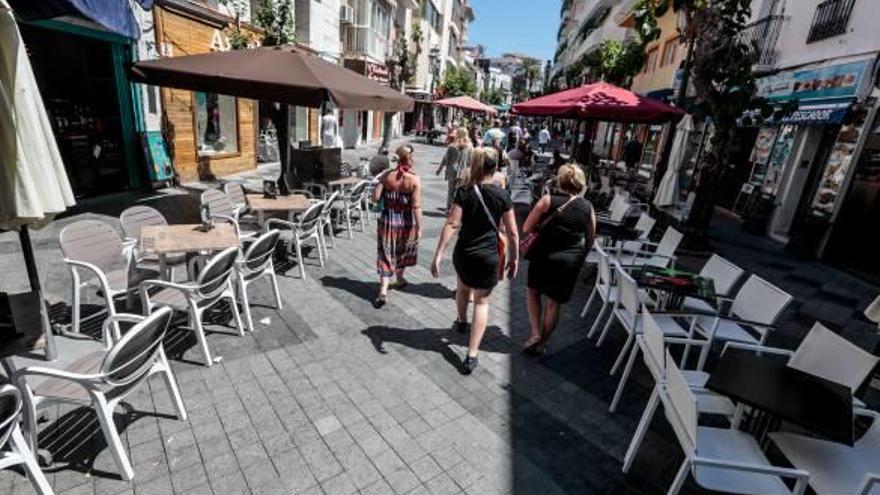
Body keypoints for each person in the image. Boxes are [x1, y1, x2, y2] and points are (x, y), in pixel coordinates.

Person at [431, 148, 519, 374]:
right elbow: (512, 232)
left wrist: (438, 254)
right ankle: (471, 355)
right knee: (481, 302)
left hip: (464, 252)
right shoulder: (502, 195)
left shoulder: (464, 191)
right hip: (489, 256)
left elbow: (451, 224)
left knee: (462, 288)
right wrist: (515, 258)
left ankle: (461, 320)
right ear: (495, 167)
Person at [522, 164, 595, 355]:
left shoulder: (547, 201)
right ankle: (542, 343)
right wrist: (579, 258)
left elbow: (527, 228)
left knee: (533, 292)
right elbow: (590, 239)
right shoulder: (588, 207)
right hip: (569, 261)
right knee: (554, 304)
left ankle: (535, 333)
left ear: (560, 181)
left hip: (543, 256)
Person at [373, 145, 422, 309]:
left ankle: (383, 290)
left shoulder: (387, 176)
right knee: (402, 251)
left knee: (386, 253)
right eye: (412, 157)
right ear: (408, 159)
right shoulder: (414, 179)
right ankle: (399, 279)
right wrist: (420, 227)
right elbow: (416, 207)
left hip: (387, 220)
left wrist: (382, 182)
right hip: (406, 222)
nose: (413, 160)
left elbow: (375, 197)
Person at [436, 127, 473, 210]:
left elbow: (445, 159)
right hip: (464, 171)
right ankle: (459, 210)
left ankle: (449, 209)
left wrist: (440, 168)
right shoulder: (470, 146)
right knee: (461, 192)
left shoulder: (453, 145)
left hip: (452, 170)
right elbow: (471, 160)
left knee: (451, 191)